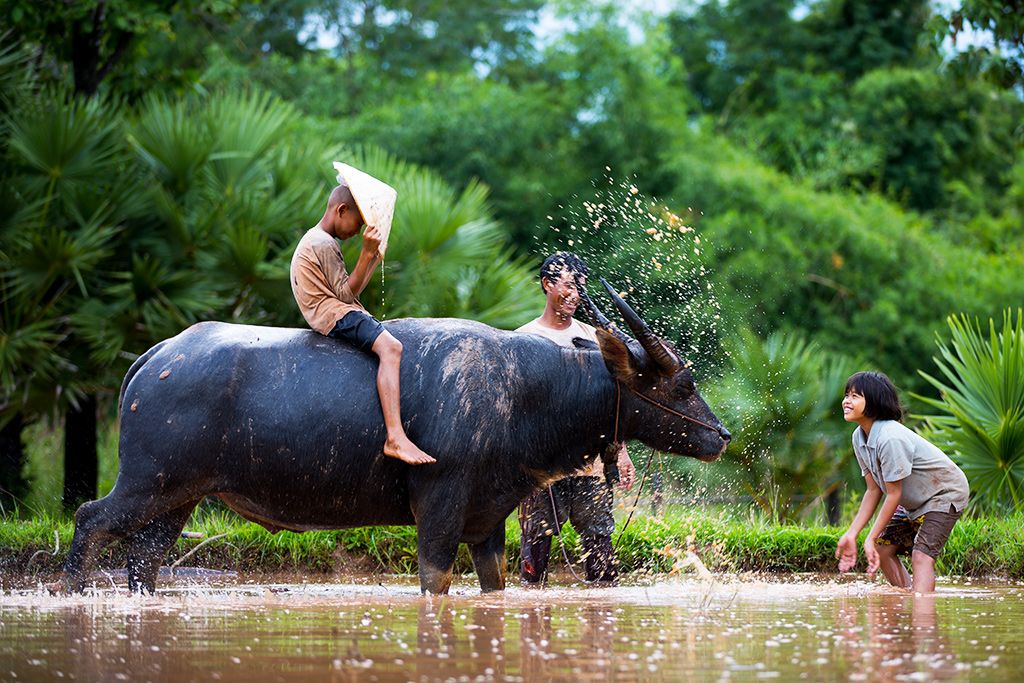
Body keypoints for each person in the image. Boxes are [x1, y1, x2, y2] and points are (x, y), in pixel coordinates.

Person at [290, 175, 434, 465]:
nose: (357, 231)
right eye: (358, 222)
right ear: (341, 210)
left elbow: (350, 289)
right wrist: (365, 254)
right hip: (333, 314)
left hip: (334, 309)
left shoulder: (319, 239)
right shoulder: (322, 243)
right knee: (391, 348)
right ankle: (395, 436)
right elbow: (345, 296)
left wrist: (373, 259)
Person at [516, 252, 636, 585]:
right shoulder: (523, 340)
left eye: (580, 287)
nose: (575, 295)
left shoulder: (595, 339)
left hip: (591, 465)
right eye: (569, 285)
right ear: (547, 285)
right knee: (534, 555)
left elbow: (612, 402)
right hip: (542, 468)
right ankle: (532, 627)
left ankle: (601, 629)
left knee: (601, 553)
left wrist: (621, 452)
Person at [835, 371, 969, 593]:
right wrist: (852, 534)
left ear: (874, 403)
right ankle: (908, 596)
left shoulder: (890, 437)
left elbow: (893, 494)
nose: (846, 401)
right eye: (846, 395)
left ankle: (923, 619)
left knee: (921, 556)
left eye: (855, 396)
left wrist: (870, 536)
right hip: (915, 501)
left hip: (945, 493)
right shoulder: (859, 437)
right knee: (882, 549)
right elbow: (873, 490)